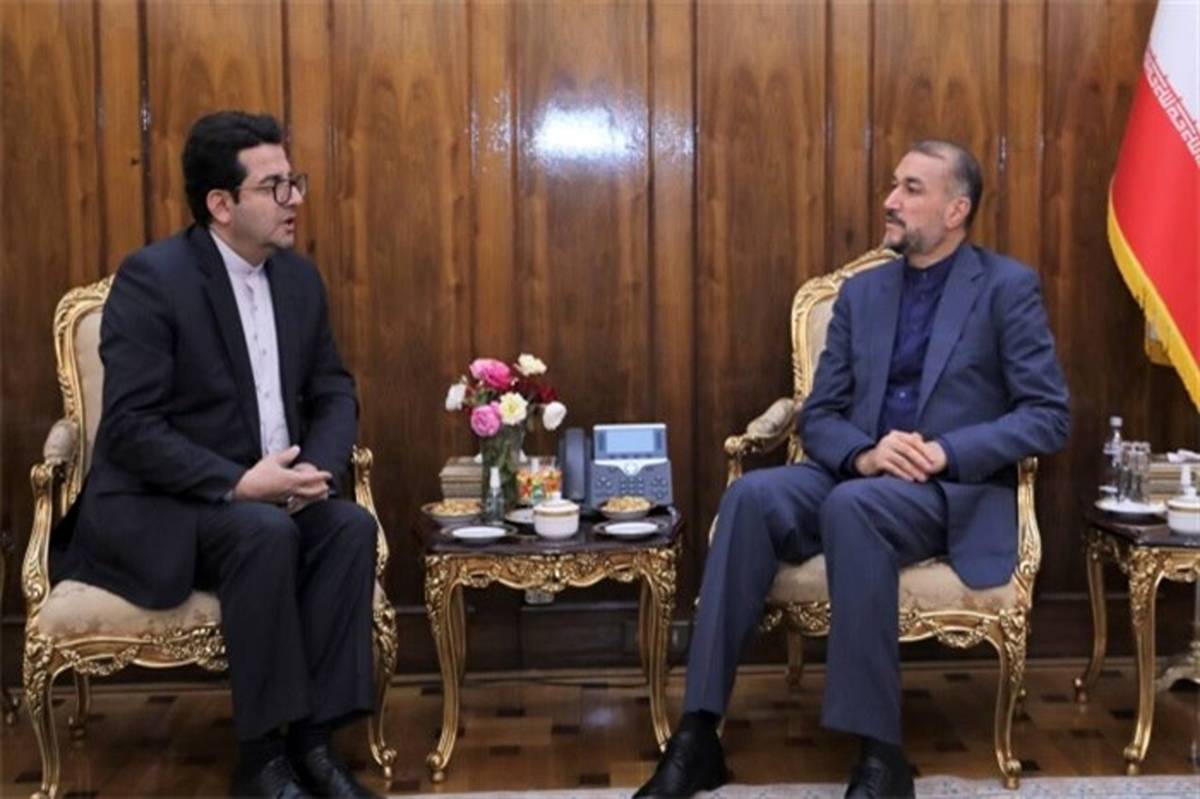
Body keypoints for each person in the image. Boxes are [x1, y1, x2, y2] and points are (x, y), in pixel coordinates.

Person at [634, 140, 1071, 799]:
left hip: (943, 491)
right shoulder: (861, 294)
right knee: (751, 497)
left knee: (852, 507)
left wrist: (947, 451)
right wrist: (865, 454)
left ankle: (881, 757)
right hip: (852, 474)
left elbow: (1048, 415)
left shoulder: (1006, 289)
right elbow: (820, 415)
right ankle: (697, 735)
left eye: (912, 189)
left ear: (956, 210)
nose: (890, 201)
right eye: (893, 185)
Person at [52, 111, 380, 799]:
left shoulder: (299, 280)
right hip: (169, 506)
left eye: (295, 181)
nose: (294, 198)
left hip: (272, 496)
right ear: (221, 205)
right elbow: (130, 428)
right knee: (261, 531)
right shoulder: (154, 279)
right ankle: (261, 761)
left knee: (350, 527)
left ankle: (313, 742)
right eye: (275, 186)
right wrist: (238, 483)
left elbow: (333, 389)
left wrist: (314, 471)